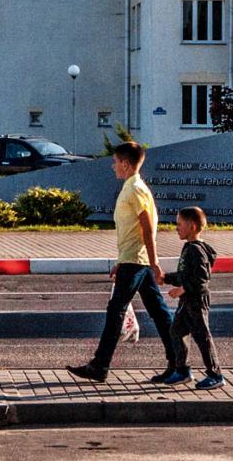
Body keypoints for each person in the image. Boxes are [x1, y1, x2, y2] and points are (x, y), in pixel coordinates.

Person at [69, 141, 187, 384]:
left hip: (136, 261)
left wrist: (154, 262)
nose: (113, 166)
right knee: (158, 312)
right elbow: (133, 230)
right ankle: (178, 364)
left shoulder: (134, 189)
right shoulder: (133, 187)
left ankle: (100, 365)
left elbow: (146, 228)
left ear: (125, 163)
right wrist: (121, 261)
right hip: (133, 260)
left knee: (116, 311)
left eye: (115, 162)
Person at [163, 206, 226, 390]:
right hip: (187, 301)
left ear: (191, 226)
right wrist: (166, 278)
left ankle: (215, 375)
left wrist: (181, 290)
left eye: (179, 224)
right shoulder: (189, 247)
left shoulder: (196, 250)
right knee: (177, 331)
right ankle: (182, 371)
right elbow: (185, 275)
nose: (176, 228)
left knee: (202, 337)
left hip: (196, 301)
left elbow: (201, 280)